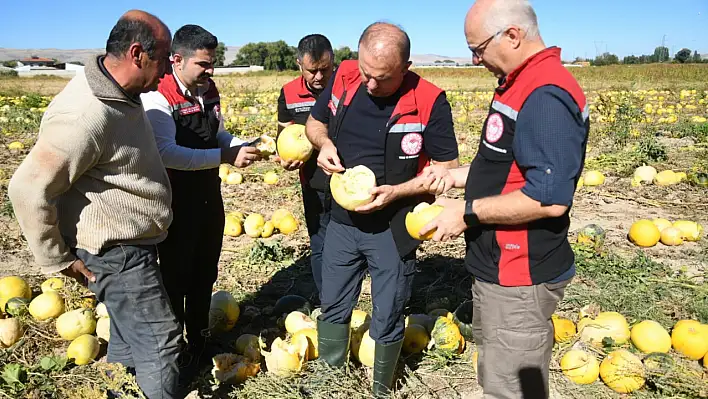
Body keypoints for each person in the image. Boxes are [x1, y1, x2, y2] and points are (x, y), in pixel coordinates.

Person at [418, 1, 590, 397]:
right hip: (499, 268)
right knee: (497, 372)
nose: (475, 59)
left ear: (512, 35)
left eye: (478, 48)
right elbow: (507, 168)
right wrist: (456, 176)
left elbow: (548, 199)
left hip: (520, 273)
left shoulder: (546, 95)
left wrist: (466, 213)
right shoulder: (520, 83)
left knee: (510, 387)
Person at [8, 10, 183, 399]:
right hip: (116, 251)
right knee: (161, 342)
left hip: (129, 245)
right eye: (163, 60)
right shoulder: (84, 115)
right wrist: (56, 259)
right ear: (137, 53)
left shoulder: (121, 92)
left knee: (126, 336)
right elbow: (26, 188)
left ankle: (119, 392)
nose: (167, 74)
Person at [306, 22, 460, 397]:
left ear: (405, 67)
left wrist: (398, 192)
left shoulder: (429, 100)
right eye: (366, 73)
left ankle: (381, 389)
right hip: (341, 223)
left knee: (389, 311)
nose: (370, 85)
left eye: (383, 78)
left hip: (394, 228)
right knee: (334, 304)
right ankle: (331, 380)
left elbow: (447, 171)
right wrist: (323, 144)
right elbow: (314, 124)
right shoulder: (343, 76)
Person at [140, 24, 261, 384]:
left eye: (212, 64)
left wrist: (241, 143)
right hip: (174, 201)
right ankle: (174, 349)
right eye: (203, 65)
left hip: (209, 195)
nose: (210, 72)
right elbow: (165, 153)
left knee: (205, 272)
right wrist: (224, 155)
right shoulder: (157, 96)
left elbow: (217, 131)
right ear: (176, 60)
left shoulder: (207, 89)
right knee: (176, 276)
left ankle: (198, 339)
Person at [275, 34, 335, 300]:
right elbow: (283, 138)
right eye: (313, 71)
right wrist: (285, 160)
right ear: (299, 64)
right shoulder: (288, 94)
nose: (320, 77)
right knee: (320, 242)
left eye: (326, 69)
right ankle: (327, 300)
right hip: (313, 181)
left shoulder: (347, 88)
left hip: (349, 179)